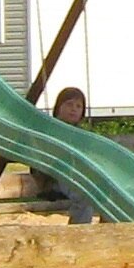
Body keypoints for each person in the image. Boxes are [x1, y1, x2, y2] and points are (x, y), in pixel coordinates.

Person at [45, 87, 96, 225]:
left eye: (78, 106)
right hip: (56, 176)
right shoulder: (50, 129)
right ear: (58, 107)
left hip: (78, 176)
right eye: (69, 104)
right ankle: (79, 233)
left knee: (108, 193)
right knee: (85, 197)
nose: (73, 109)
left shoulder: (82, 135)